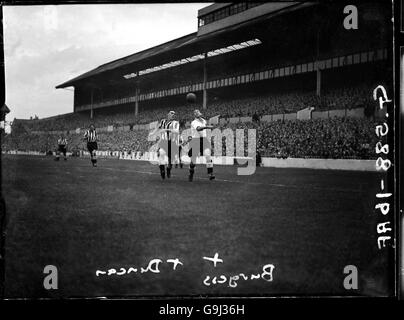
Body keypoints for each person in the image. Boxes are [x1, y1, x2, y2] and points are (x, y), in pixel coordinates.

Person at [148, 111, 180, 179]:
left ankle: (168, 170)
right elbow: (157, 128)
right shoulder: (163, 121)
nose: (173, 115)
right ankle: (162, 171)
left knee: (171, 160)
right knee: (161, 153)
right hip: (164, 142)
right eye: (171, 113)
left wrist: (166, 129)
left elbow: (176, 131)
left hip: (172, 142)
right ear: (168, 114)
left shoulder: (176, 123)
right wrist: (152, 133)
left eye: (174, 114)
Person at [188, 109, 215, 182]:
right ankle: (191, 173)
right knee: (193, 160)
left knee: (208, 156)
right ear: (194, 115)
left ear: (200, 113)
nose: (197, 113)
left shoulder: (203, 120)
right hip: (196, 140)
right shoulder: (194, 122)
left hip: (204, 140)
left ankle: (210, 174)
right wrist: (207, 127)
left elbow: (204, 131)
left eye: (198, 112)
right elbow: (199, 129)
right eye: (195, 112)